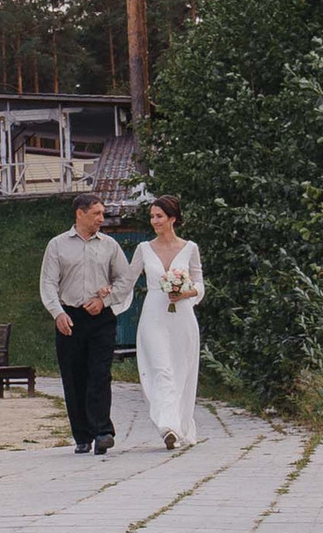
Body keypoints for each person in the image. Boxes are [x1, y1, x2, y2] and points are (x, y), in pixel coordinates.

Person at [40, 192, 132, 455]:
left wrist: (106, 300)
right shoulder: (57, 245)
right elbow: (48, 283)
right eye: (97, 214)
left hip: (101, 317)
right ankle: (82, 435)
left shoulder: (109, 245)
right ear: (80, 214)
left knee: (100, 373)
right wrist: (57, 313)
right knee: (74, 375)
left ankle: (103, 431)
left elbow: (124, 280)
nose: (102, 219)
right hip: (70, 316)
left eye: (102, 214)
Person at [133, 194, 205, 450]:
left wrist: (185, 293)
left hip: (182, 315)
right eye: (152, 216)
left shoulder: (190, 248)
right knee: (161, 369)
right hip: (154, 314)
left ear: (172, 218)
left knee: (181, 372)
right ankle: (167, 427)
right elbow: (127, 279)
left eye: (159, 216)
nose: (154, 221)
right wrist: (107, 295)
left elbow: (200, 284)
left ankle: (180, 425)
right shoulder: (143, 249)